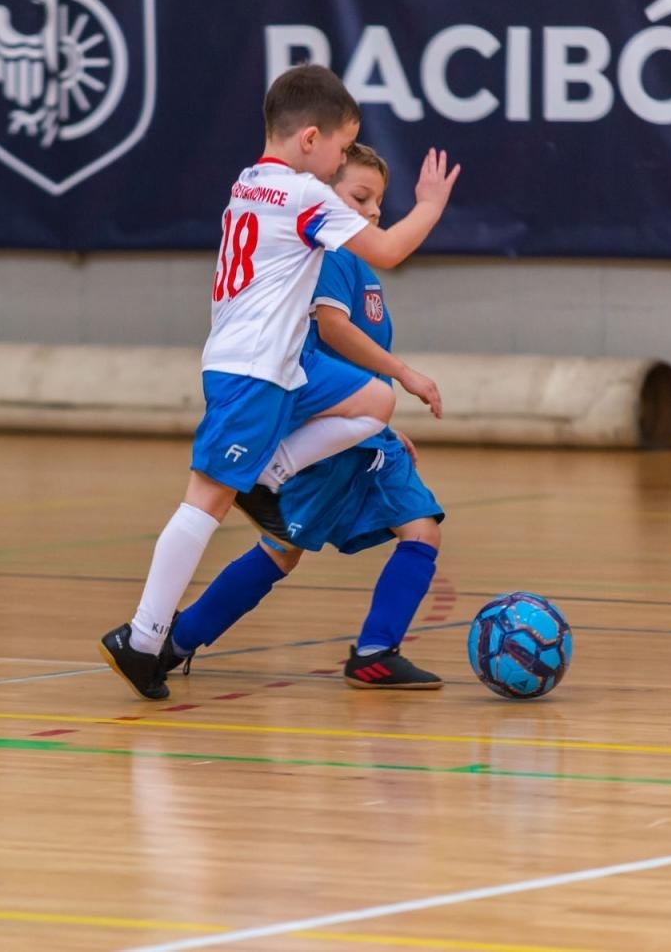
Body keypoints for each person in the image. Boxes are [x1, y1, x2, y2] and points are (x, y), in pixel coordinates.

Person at [98, 64, 460, 700]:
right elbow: (386, 250)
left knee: (376, 399)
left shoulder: (249, 183)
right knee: (202, 502)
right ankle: (147, 638)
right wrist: (429, 207)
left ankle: (270, 477)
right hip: (254, 370)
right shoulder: (304, 196)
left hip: (267, 365)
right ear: (312, 139)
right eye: (345, 148)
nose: (345, 158)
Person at [169, 143, 446, 688]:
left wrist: (381, 422)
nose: (369, 212)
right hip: (326, 434)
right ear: (326, 195)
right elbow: (333, 330)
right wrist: (406, 377)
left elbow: (355, 373)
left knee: (421, 529)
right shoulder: (328, 253)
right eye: (358, 197)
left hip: (365, 432)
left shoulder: (358, 264)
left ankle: (375, 651)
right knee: (281, 551)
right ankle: (176, 640)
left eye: (378, 204)